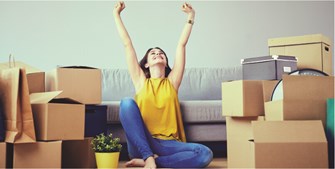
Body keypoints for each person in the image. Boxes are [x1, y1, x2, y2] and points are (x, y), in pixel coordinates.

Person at [113, 1, 213, 168]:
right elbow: (127, 44)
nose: (157, 54)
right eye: (153, 53)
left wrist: (191, 16)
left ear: (166, 63)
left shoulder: (172, 82)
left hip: (168, 144)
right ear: (146, 64)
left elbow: (181, 45)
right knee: (126, 103)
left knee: (204, 153)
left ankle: (152, 161)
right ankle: (147, 156)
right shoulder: (141, 81)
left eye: (161, 53)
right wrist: (116, 15)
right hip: (142, 141)